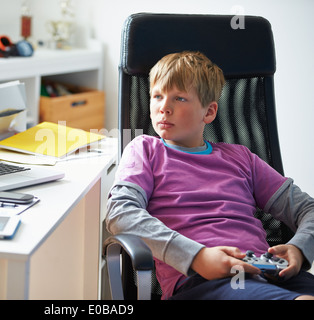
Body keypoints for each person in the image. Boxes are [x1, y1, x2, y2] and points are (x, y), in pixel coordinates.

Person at [106, 51, 314, 300]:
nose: (164, 107)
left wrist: (300, 248)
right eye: (157, 96)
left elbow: (308, 209)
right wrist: (197, 256)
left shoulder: (242, 158)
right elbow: (120, 213)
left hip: (270, 273)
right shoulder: (145, 151)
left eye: (179, 98)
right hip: (202, 282)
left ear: (209, 112)